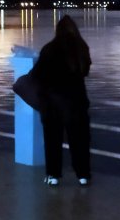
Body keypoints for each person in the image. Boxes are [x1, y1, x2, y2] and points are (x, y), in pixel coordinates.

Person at [29, 15, 91, 186]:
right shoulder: (81, 47)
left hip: (52, 104)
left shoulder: (49, 48)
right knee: (79, 140)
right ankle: (83, 175)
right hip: (76, 103)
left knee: (52, 141)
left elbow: (37, 75)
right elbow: (85, 71)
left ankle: (53, 175)